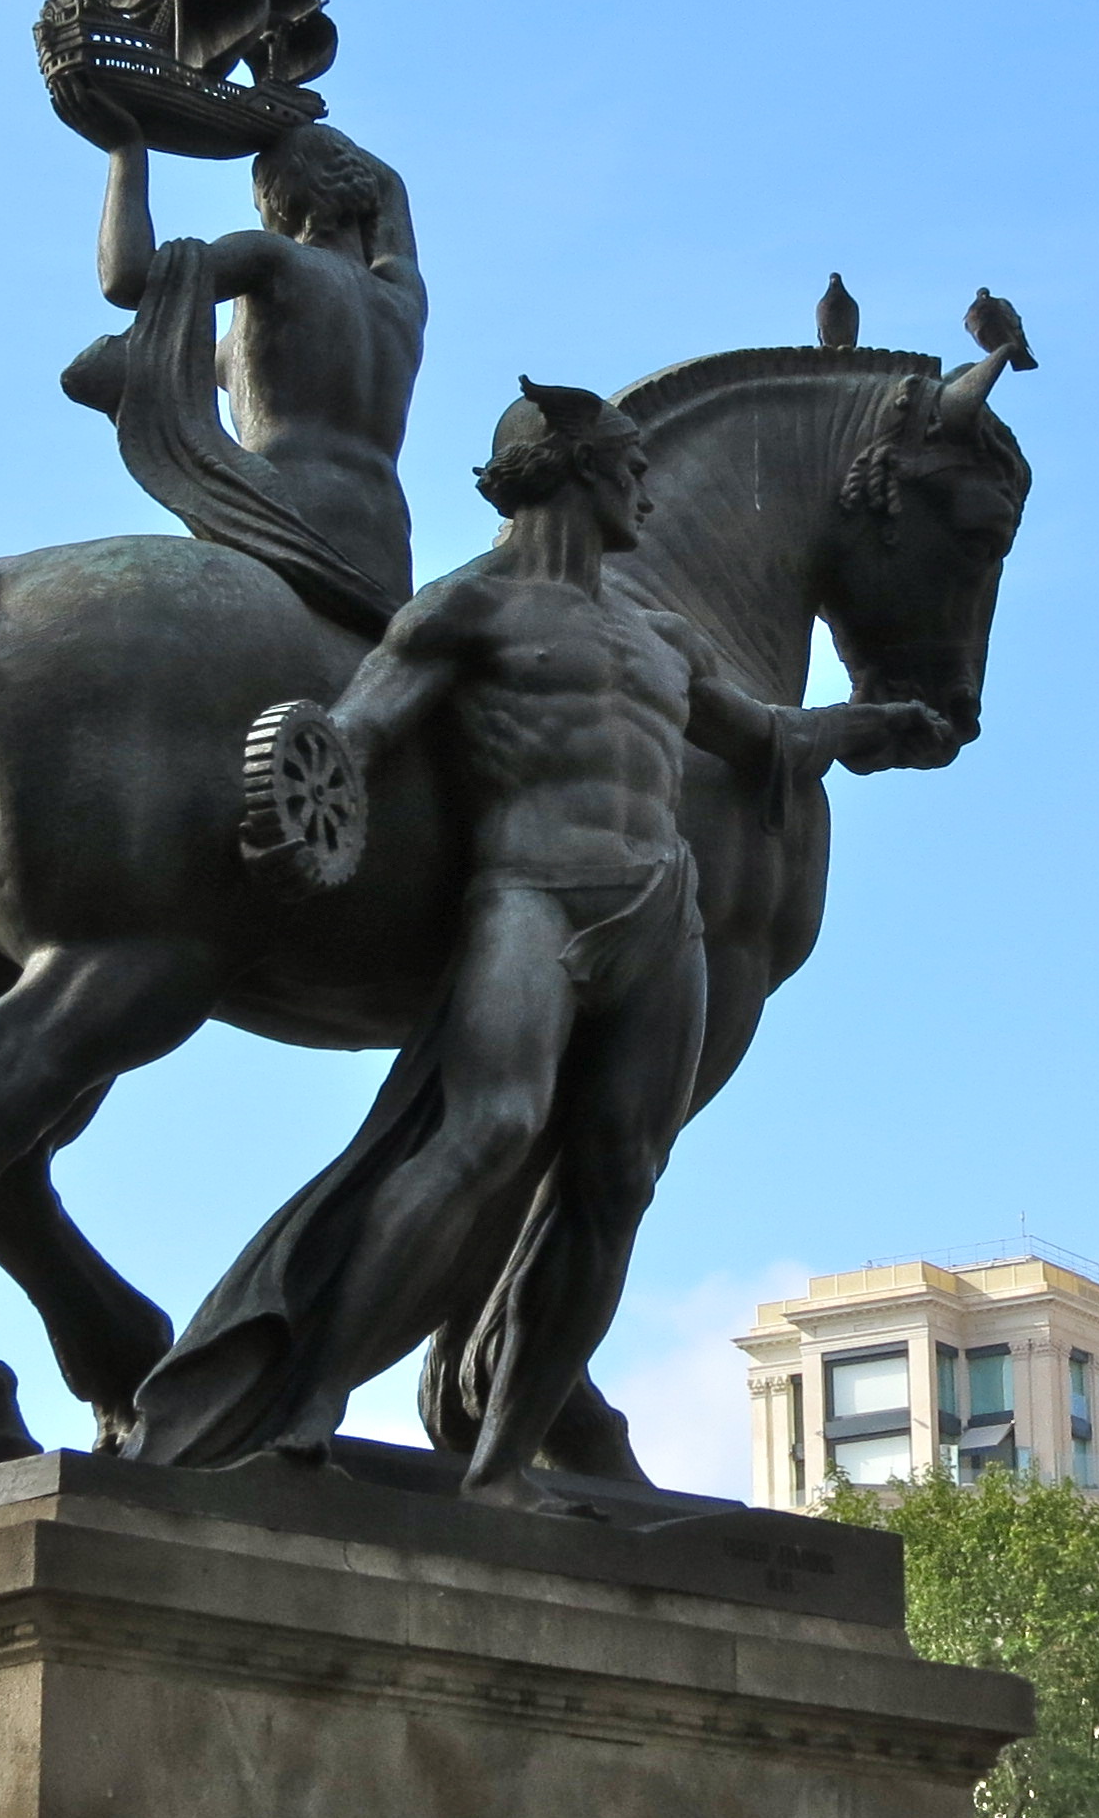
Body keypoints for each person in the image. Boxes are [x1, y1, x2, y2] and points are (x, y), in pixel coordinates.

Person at [126, 381, 951, 1508]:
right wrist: (292, 802)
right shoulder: (466, 611)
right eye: (628, 465)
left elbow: (765, 735)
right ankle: (303, 1401)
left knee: (616, 1181)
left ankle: (503, 1462)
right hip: (530, 900)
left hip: (663, 916)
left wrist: (868, 729)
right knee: (488, 1129)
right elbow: (360, 733)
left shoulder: (662, 637)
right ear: (573, 469)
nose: (647, 487)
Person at [57, 90, 428, 608]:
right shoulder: (403, 296)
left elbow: (128, 280)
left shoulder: (273, 262)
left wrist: (126, 148)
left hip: (281, 504)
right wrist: (290, 117)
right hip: (385, 531)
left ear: (276, 200)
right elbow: (392, 190)